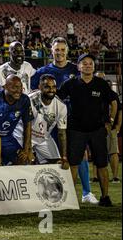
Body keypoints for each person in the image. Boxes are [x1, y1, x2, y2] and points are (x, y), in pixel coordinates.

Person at [30, 37, 97, 204]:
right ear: (51, 51)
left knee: (80, 155)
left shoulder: (76, 69)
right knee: (52, 157)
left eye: (62, 50)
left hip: (73, 120)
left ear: (67, 51)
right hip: (48, 123)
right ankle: (49, 193)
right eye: (56, 50)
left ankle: (86, 192)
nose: (59, 53)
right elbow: (33, 95)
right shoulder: (41, 72)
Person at [57, 54, 118, 207]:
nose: (88, 66)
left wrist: (110, 119)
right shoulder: (70, 83)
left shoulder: (101, 84)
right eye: (84, 63)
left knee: (102, 164)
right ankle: (69, 198)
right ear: (78, 67)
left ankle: (105, 197)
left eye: (90, 63)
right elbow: (56, 99)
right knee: (73, 164)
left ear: (94, 67)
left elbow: (114, 101)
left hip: (97, 130)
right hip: (76, 130)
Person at [15, 74, 69, 168]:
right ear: (40, 87)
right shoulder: (29, 100)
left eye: (53, 87)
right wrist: (28, 149)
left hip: (43, 138)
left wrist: (64, 157)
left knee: (58, 164)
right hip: (22, 135)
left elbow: (62, 133)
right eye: (47, 87)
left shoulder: (61, 106)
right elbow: (26, 126)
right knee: (25, 160)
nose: (51, 90)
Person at [0, 75, 33, 166]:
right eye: (14, 87)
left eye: (20, 87)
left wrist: (26, 149)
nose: (18, 90)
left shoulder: (24, 100)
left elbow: (28, 125)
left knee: (25, 161)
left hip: (7, 138)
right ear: (5, 87)